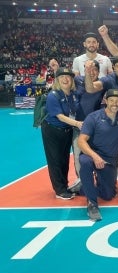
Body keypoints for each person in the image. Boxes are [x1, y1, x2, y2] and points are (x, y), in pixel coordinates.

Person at [78, 89, 118, 221]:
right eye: (112, 100)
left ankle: (84, 187)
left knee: (108, 195)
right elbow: (81, 141)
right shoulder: (93, 117)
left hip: (109, 160)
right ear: (106, 101)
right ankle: (92, 204)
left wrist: (116, 159)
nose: (115, 103)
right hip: (91, 155)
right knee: (85, 163)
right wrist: (95, 156)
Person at [40, 67, 80, 200]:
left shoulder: (73, 94)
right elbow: (60, 116)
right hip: (52, 131)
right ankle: (60, 190)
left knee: (64, 159)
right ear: (57, 80)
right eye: (62, 76)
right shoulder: (53, 95)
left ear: (72, 80)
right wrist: (78, 124)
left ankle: (64, 185)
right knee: (55, 160)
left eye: (68, 76)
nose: (65, 79)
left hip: (66, 131)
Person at [70, 60, 105, 194]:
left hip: (96, 128)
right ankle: (82, 181)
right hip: (79, 126)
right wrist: (56, 70)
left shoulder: (102, 84)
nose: (92, 72)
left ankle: (99, 180)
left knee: (96, 155)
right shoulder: (77, 80)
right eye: (89, 69)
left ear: (98, 71)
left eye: (95, 69)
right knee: (79, 156)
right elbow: (63, 81)